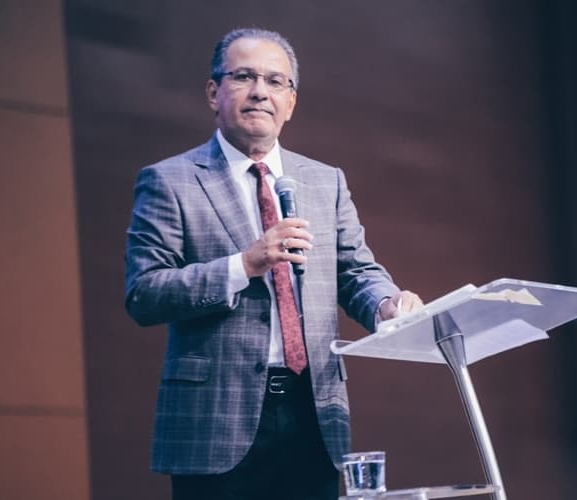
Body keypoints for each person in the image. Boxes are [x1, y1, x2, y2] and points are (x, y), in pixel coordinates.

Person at [124, 28, 423, 500]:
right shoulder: (170, 180)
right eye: (243, 76)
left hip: (314, 412)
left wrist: (386, 306)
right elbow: (144, 292)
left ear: (290, 102)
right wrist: (244, 263)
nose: (260, 91)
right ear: (213, 93)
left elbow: (355, 272)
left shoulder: (326, 181)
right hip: (215, 418)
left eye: (275, 81)